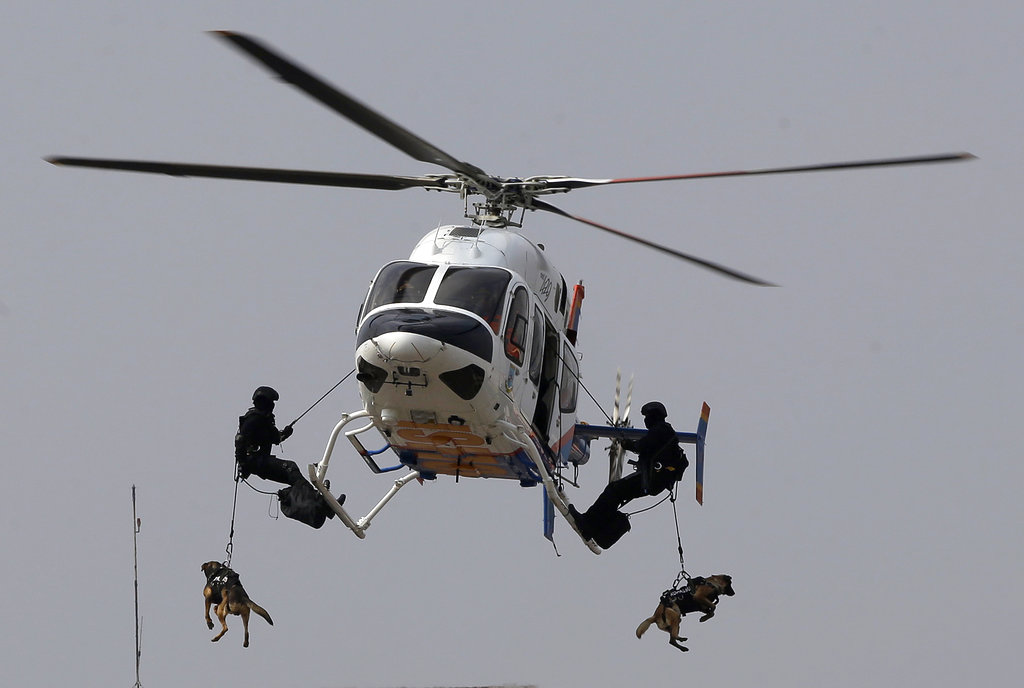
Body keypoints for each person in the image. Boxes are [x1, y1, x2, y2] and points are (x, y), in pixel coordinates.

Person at [569, 401, 688, 548]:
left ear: (654, 416)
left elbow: (642, 446)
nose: (645, 420)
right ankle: (595, 528)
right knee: (617, 494)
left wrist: (627, 444)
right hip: (654, 482)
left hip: (649, 479)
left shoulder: (661, 429)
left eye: (647, 416)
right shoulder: (666, 432)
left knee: (614, 490)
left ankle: (587, 523)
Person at [235, 386, 344, 529]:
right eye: (271, 402)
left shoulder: (265, 419)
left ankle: (318, 505)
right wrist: (243, 462)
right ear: (265, 402)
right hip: (254, 461)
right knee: (290, 468)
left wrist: (286, 432)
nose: (273, 406)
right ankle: (317, 501)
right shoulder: (255, 418)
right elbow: (240, 439)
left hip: (258, 462)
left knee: (294, 477)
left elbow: (276, 438)